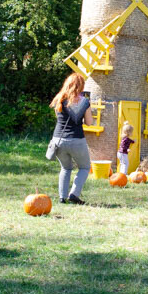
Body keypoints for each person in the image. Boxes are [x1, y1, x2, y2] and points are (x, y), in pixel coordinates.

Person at [50, 73, 93, 205]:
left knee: (65, 168)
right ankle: (74, 194)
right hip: (76, 139)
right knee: (85, 167)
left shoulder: (59, 99)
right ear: (81, 86)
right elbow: (89, 123)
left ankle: (62, 197)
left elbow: (59, 118)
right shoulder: (84, 102)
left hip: (58, 139)